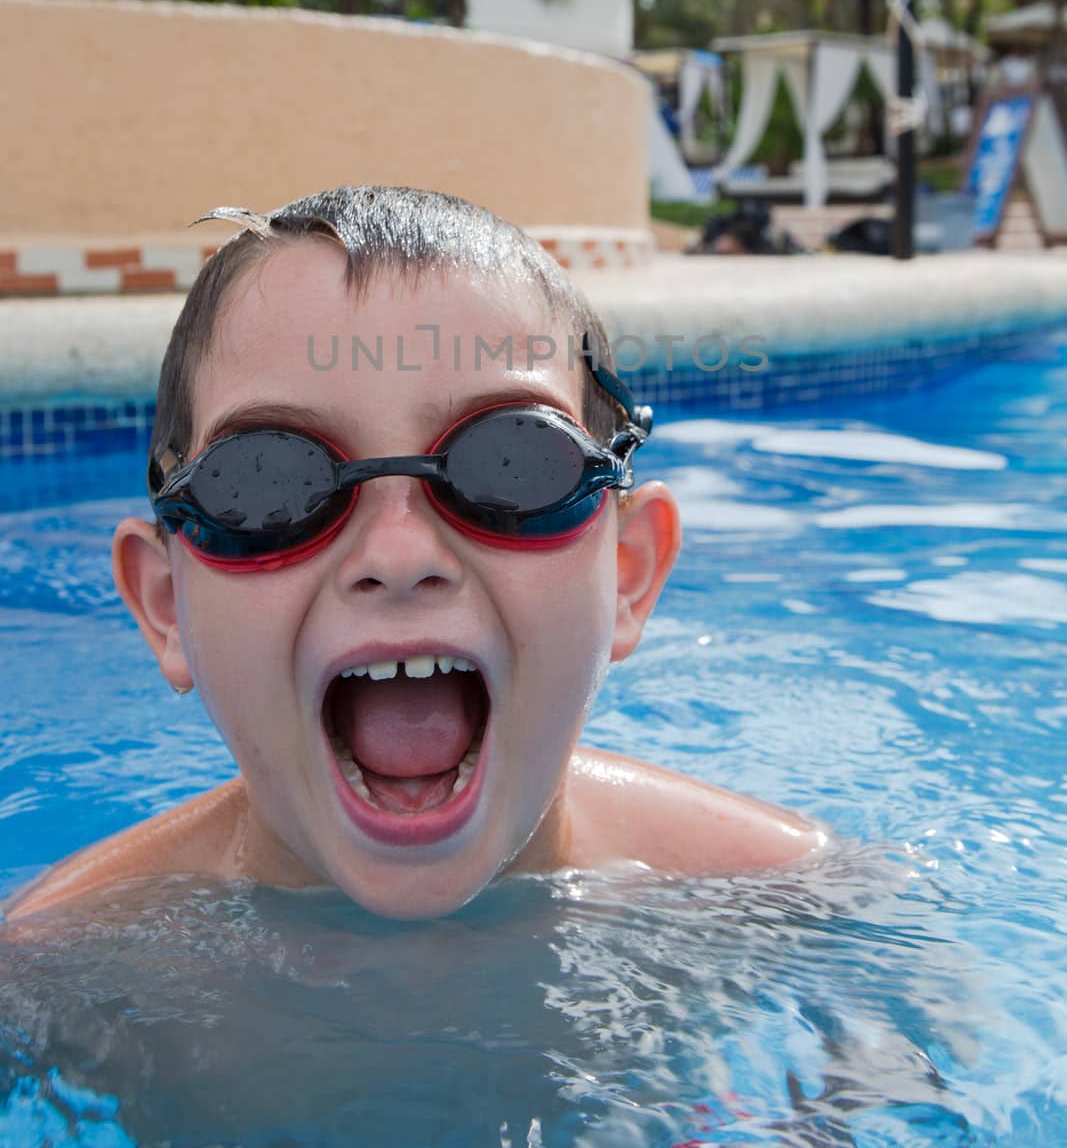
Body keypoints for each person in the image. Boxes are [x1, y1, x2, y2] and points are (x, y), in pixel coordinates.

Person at [2, 186, 826, 925]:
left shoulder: (787, 905)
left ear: (627, 574)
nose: (397, 553)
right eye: (268, 481)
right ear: (165, 604)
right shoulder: (56, 961)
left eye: (513, 462)